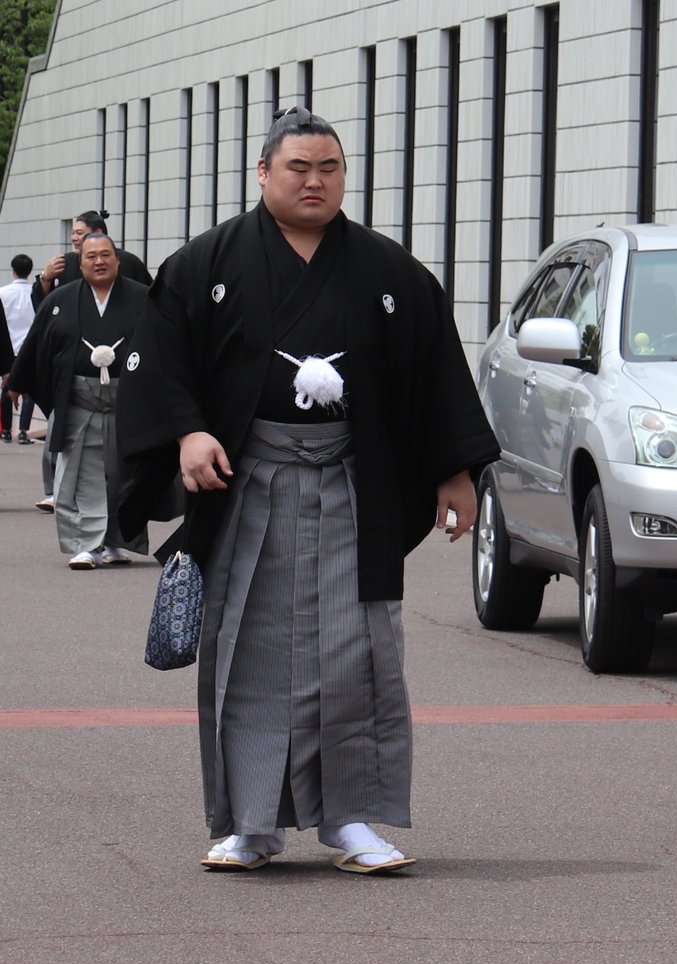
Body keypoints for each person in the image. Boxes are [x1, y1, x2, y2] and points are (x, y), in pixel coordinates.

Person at [116, 107, 500, 875]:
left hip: (353, 482)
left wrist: (457, 470)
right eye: (298, 167)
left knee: (356, 649)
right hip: (247, 477)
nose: (315, 180)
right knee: (247, 649)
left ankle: (352, 818)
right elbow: (160, 363)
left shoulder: (391, 273)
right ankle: (249, 822)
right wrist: (188, 431)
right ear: (264, 173)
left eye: (329, 167)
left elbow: (435, 373)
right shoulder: (205, 264)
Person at [8, 233, 150, 569]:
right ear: (80, 261)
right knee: (84, 474)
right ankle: (88, 543)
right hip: (80, 402)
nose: (99, 261)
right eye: (91, 256)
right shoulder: (62, 299)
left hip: (126, 402)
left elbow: (166, 346)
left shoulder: (143, 298)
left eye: (105, 255)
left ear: (117, 259)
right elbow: (37, 343)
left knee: (123, 476)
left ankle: (117, 541)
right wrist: (17, 381)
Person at [33, 210, 152, 311]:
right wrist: (46, 278)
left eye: (79, 233)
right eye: (73, 233)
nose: (74, 238)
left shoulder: (129, 262)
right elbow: (46, 306)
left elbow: (150, 300)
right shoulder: (64, 263)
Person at [1, 254, 37, 444]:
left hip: (9, 347)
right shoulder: (35, 292)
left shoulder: (3, 293)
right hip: (29, 348)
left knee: (7, 388)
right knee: (28, 392)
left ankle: (6, 430)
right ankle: (23, 431)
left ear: (12, 270)